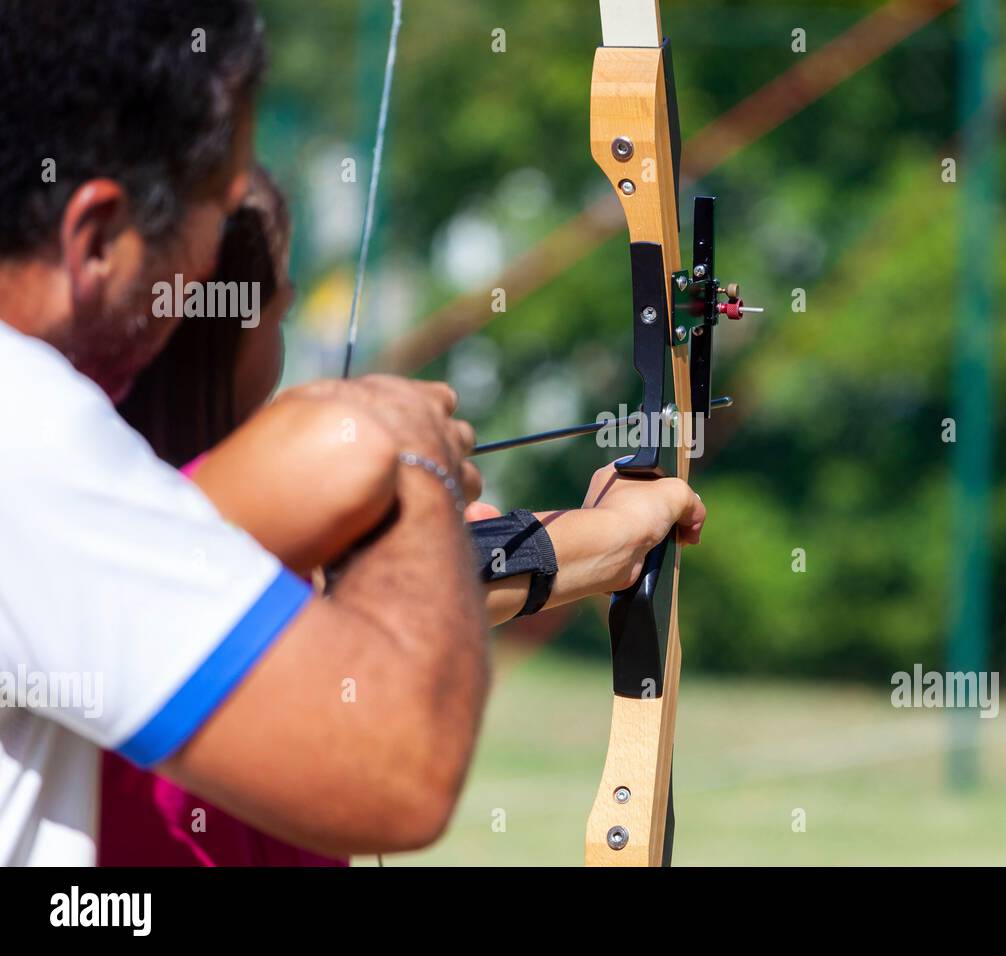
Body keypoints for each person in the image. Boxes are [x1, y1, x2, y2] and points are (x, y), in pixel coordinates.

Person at [0, 0, 704, 866]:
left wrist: (602, 538)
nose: (219, 267)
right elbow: (396, 771)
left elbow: (311, 578)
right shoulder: (29, 445)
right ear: (98, 238)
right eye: (216, 221)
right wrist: (411, 461)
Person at [100, 169, 705, 866]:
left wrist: (613, 532)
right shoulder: (155, 536)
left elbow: (374, 590)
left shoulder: (142, 523)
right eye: (280, 309)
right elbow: (343, 611)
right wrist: (417, 474)